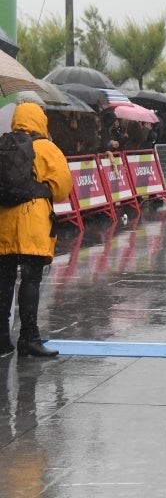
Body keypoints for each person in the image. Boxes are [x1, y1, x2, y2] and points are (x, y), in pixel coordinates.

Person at [0, 102, 74, 357]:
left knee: (4, 281)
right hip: (33, 223)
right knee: (31, 279)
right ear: (40, 120)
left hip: (3, 224)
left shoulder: (4, 146)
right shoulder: (46, 148)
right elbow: (63, 188)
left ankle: (1, 339)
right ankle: (29, 337)